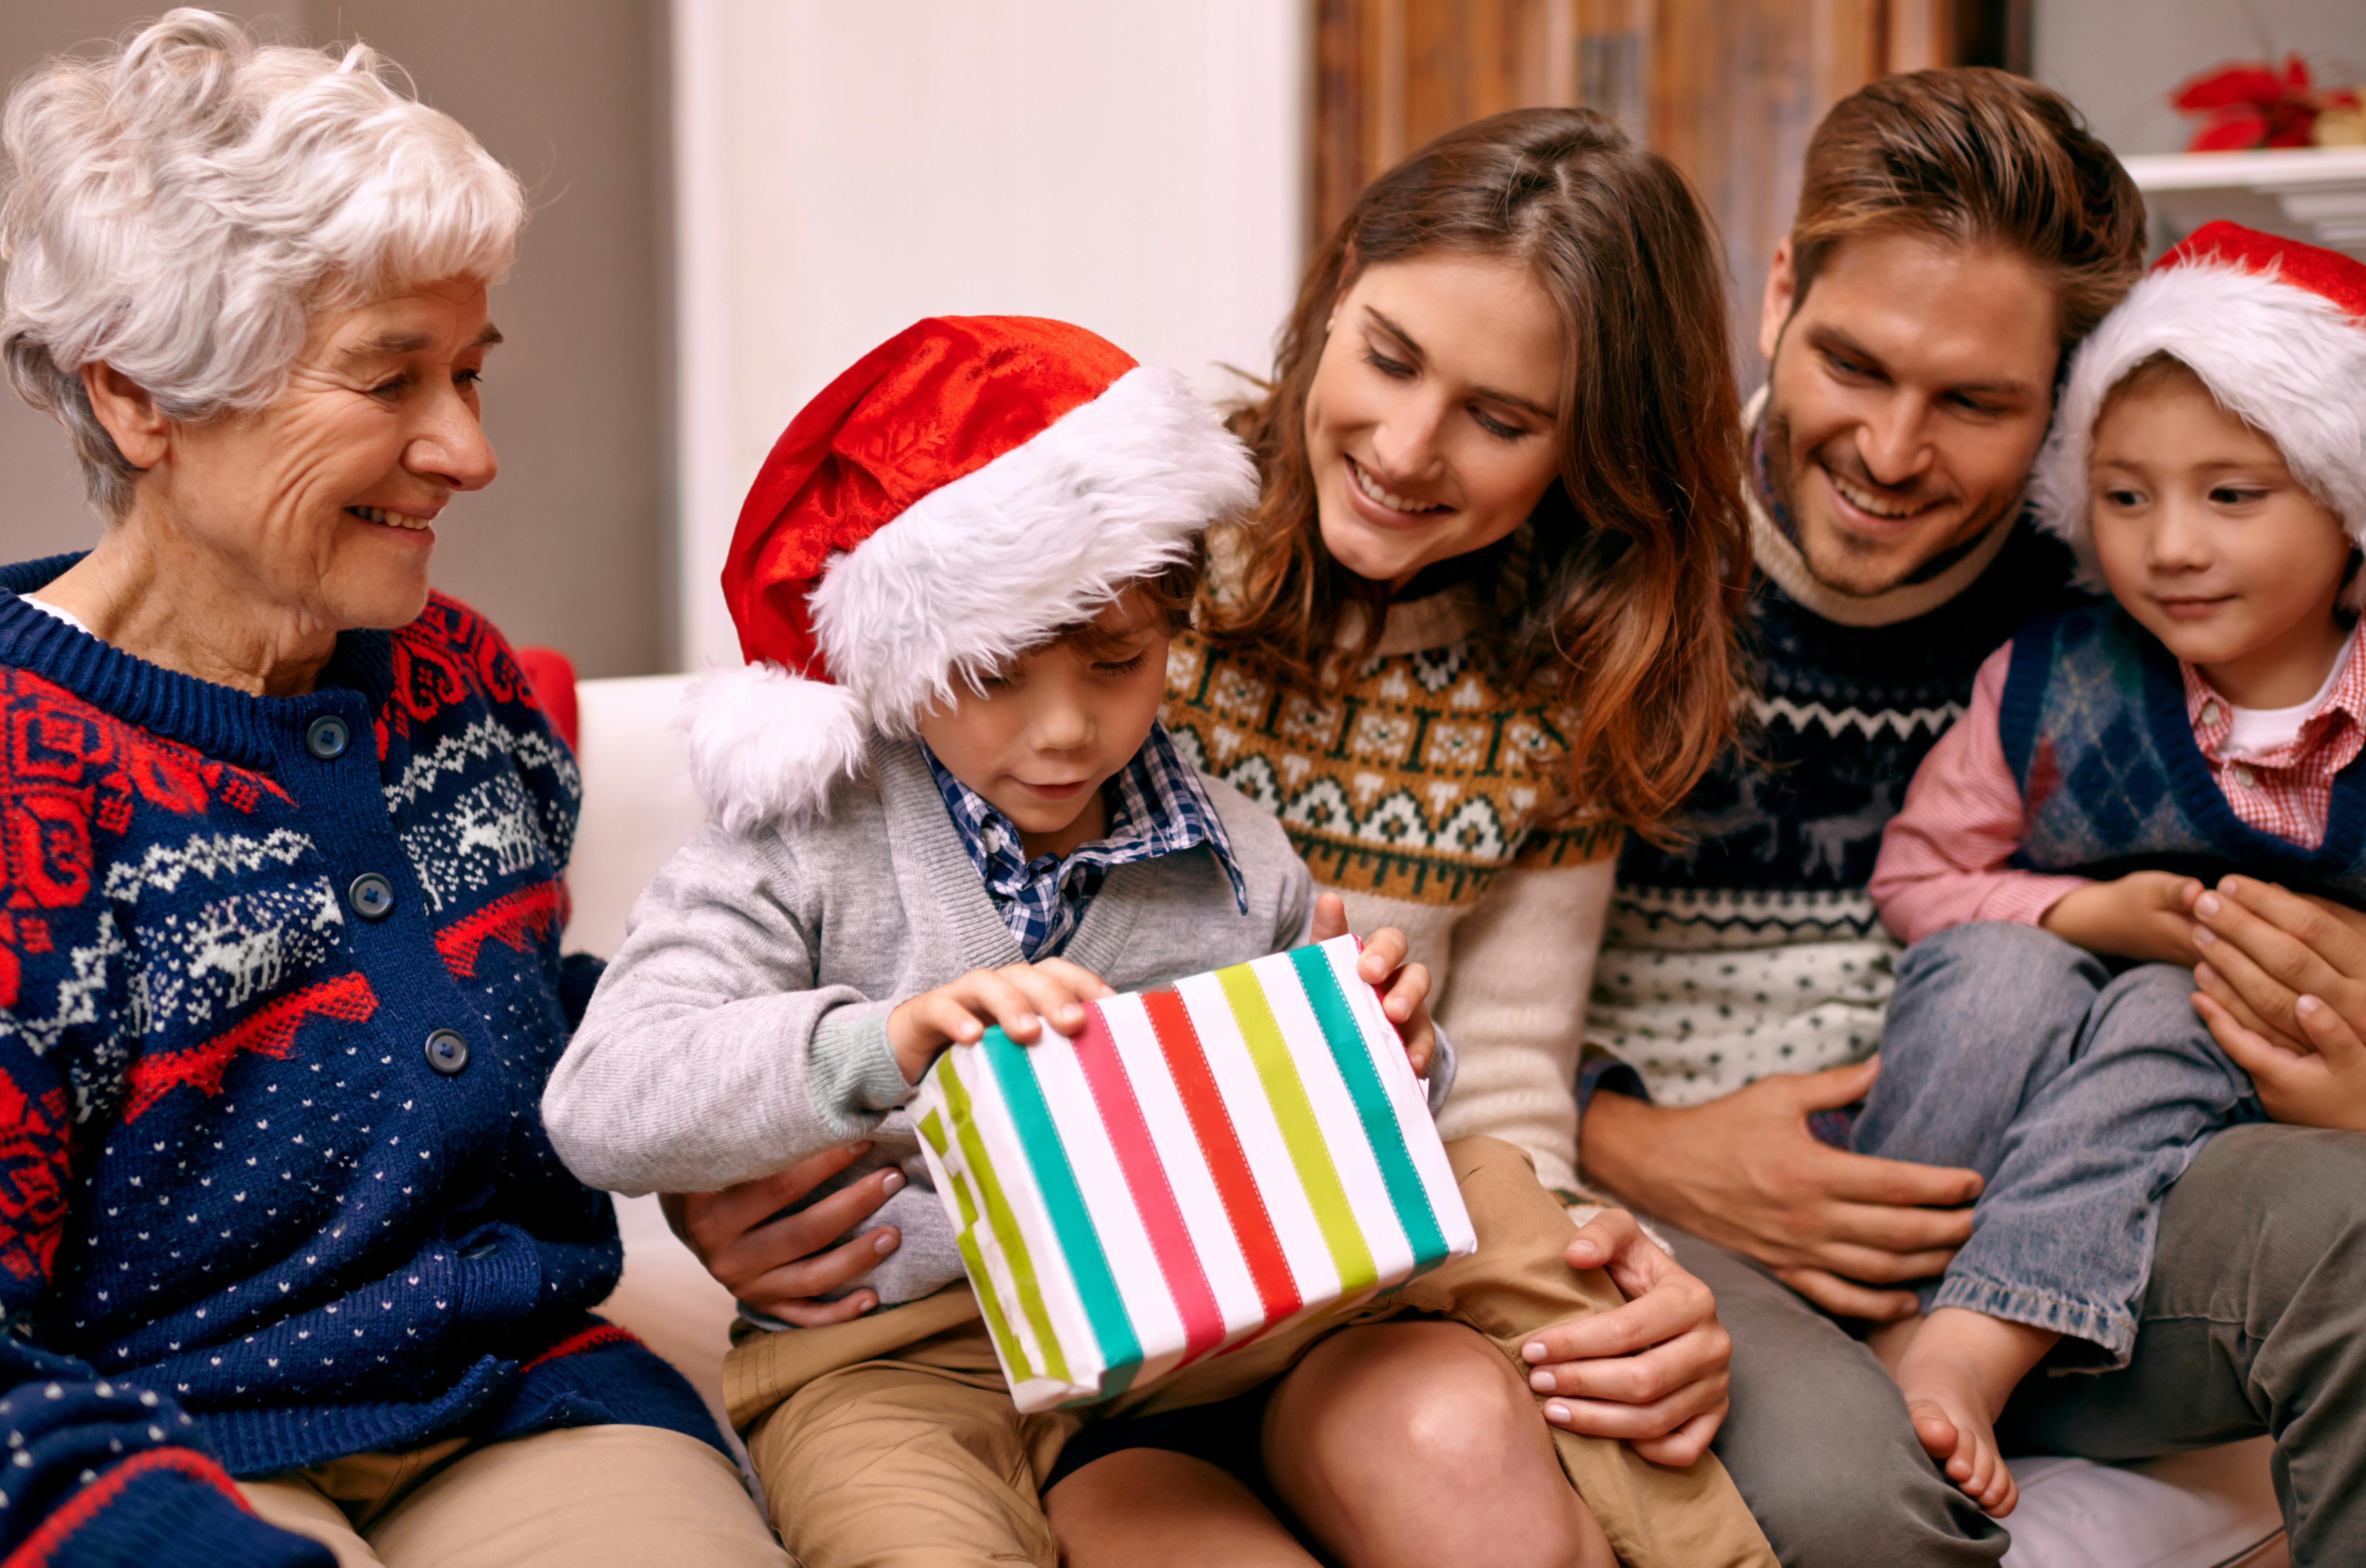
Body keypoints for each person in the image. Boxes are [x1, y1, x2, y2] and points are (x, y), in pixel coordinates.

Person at [668, 106, 1758, 1548]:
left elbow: (1496, 1091)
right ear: (1335, 290)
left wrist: (1593, 1266)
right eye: (1387, 357)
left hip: (1331, 1286)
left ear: (1585, 447)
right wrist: (726, 1187)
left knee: (1477, 1469)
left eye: (1501, 420)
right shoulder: (1108, 543)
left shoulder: (1565, 676)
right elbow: (817, 896)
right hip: (1051, 1320)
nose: (1410, 447)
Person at [0, 11, 782, 1565]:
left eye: (469, 370)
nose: (468, 448)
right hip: (146, 1444)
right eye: (393, 380)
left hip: (513, 1396)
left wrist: (697, 1124)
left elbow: (497, 1013)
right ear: (140, 401)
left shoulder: (454, 681)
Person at [1581, 67, 2366, 1567]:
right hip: (1701, 1201)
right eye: (1855, 364)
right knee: (1863, 1508)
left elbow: (2329, 815)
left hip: (2079, 1185)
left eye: (1975, 402)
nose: (1894, 452)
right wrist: (1632, 1142)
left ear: (2067, 398)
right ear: (1780, 289)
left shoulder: (2127, 591)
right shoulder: (1611, 543)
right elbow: (1431, 976)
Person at [1855, 221, 2366, 1515]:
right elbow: (1917, 881)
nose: (2170, 545)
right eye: (2125, 497)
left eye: (2232, 495)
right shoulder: (2048, 681)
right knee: (1993, 966)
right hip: (1995, 1094)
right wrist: (2082, 909)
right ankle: (1875, 1310)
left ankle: (1983, 1335)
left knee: (2186, 1003)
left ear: (2356, 501)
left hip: (2212, 1147)